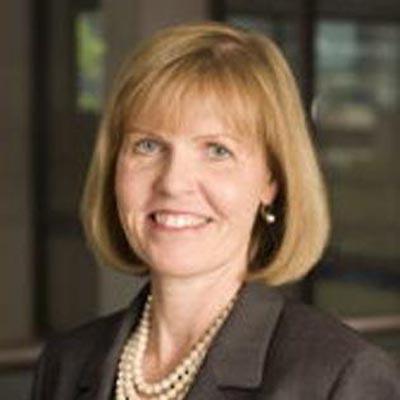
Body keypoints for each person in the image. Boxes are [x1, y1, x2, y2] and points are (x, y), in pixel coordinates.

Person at [31, 21, 400, 400]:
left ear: (272, 181)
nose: (173, 183)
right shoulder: (65, 365)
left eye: (217, 151)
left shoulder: (339, 377)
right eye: (148, 146)